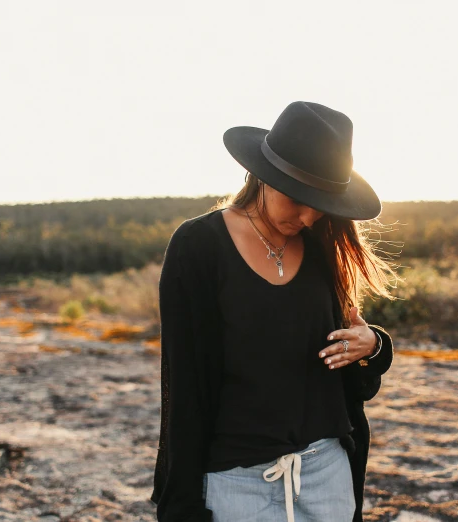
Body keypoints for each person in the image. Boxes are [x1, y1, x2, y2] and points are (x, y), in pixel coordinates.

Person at [151, 101, 399, 522]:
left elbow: (351, 380)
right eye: (299, 197)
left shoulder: (323, 246)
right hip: (234, 484)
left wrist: (374, 346)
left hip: (327, 478)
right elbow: (185, 388)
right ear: (261, 175)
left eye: (322, 202)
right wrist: (184, 504)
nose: (308, 215)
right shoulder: (198, 247)